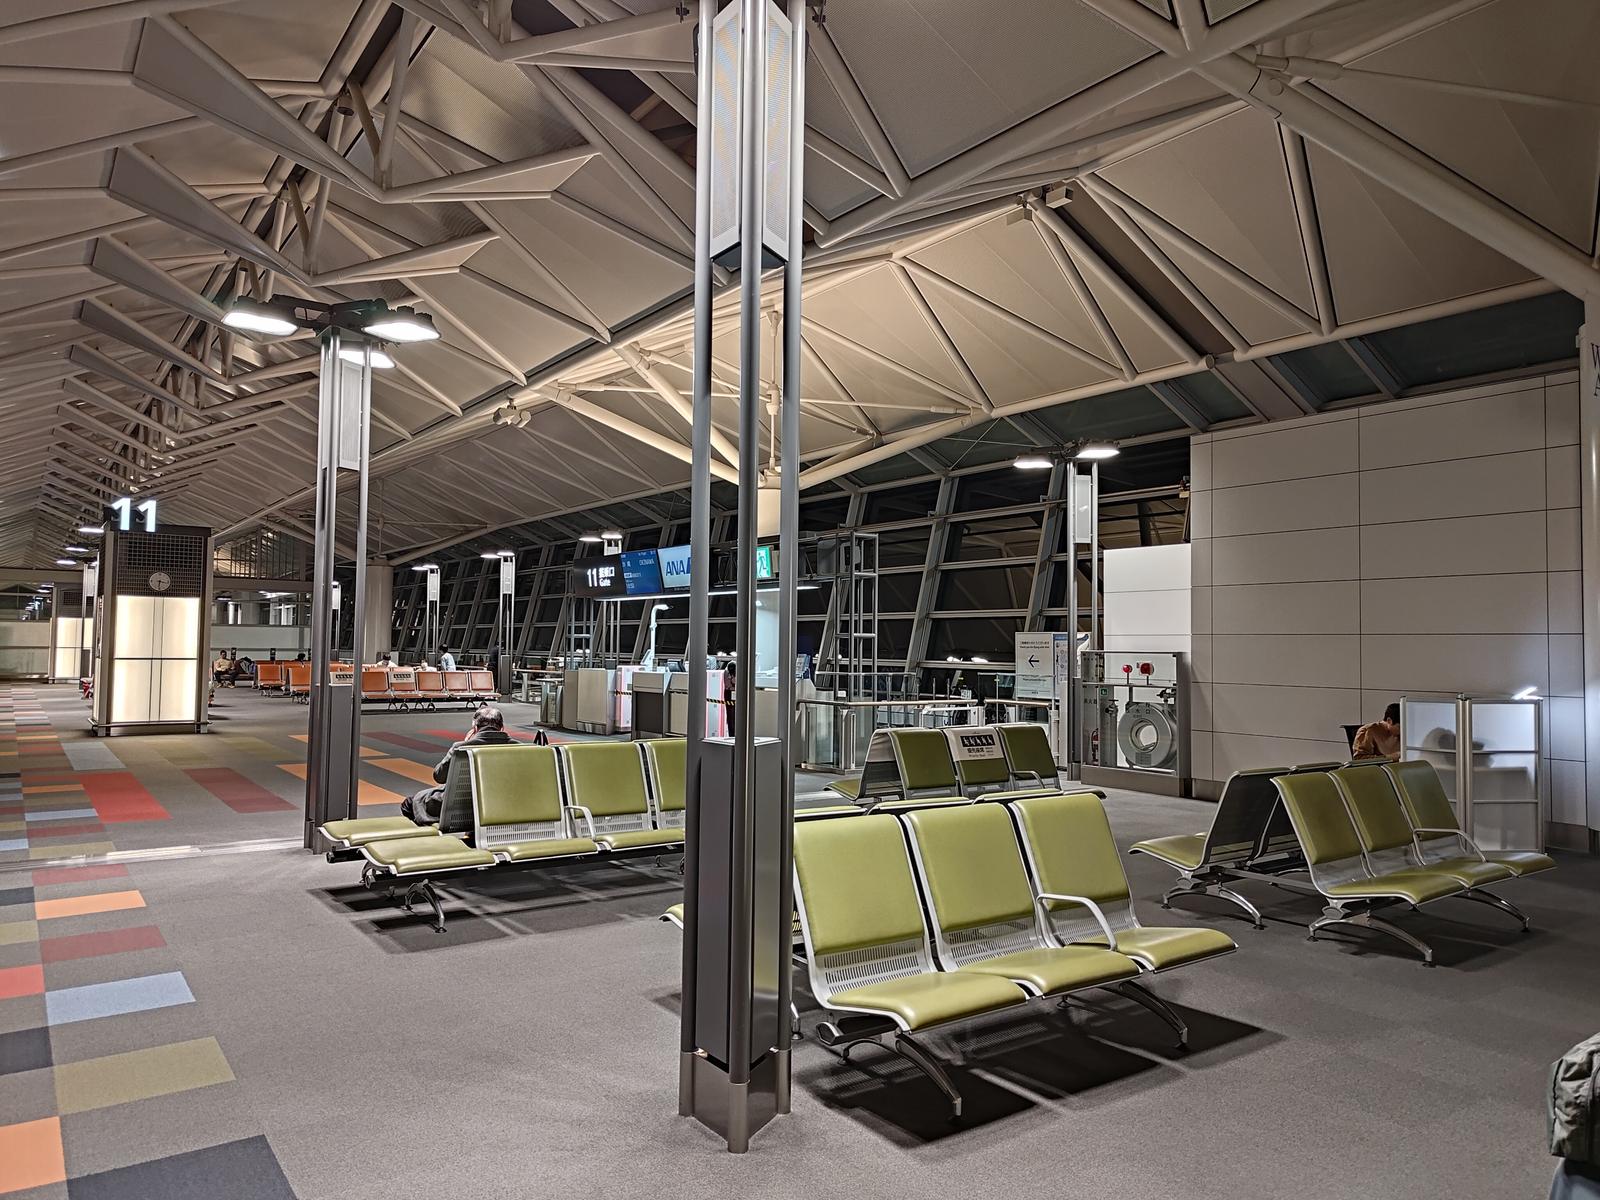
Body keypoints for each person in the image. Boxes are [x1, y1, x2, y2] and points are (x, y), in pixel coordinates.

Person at [400, 705, 513, 825]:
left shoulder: (461, 747)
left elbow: (439, 777)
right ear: (502, 728)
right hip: (503, 804)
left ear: (475, 728)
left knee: (409, 804)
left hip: (461, 808)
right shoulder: (520, 747)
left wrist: (466, 742)